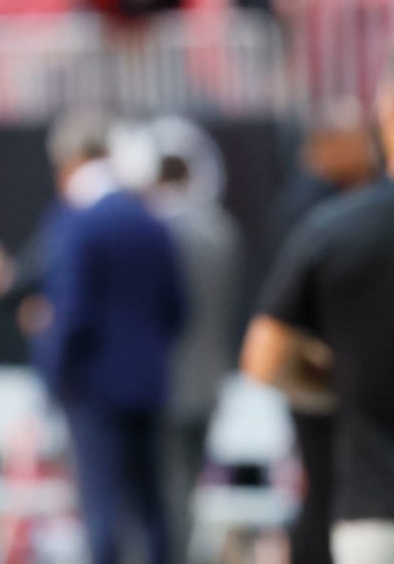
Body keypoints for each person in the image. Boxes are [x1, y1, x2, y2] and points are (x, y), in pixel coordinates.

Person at [243, 45, 394, 564]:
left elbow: (264, 359)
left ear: (392, 108)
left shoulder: (335, 228)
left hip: (376, 507)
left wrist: (334, 382)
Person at [35, 112, 185, 564]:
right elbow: (177, 308)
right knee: (150, 505)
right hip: (149, 383)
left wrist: (53, 372)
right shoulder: (151, 220)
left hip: (93, 388)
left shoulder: (79, 222)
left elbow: (73, 313)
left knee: (102, 510)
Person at [144, 129, 241, 564]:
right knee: (186, 491)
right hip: (210, 378)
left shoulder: (156, 232)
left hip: (164, 381)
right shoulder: (222, 230)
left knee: (165, 492)